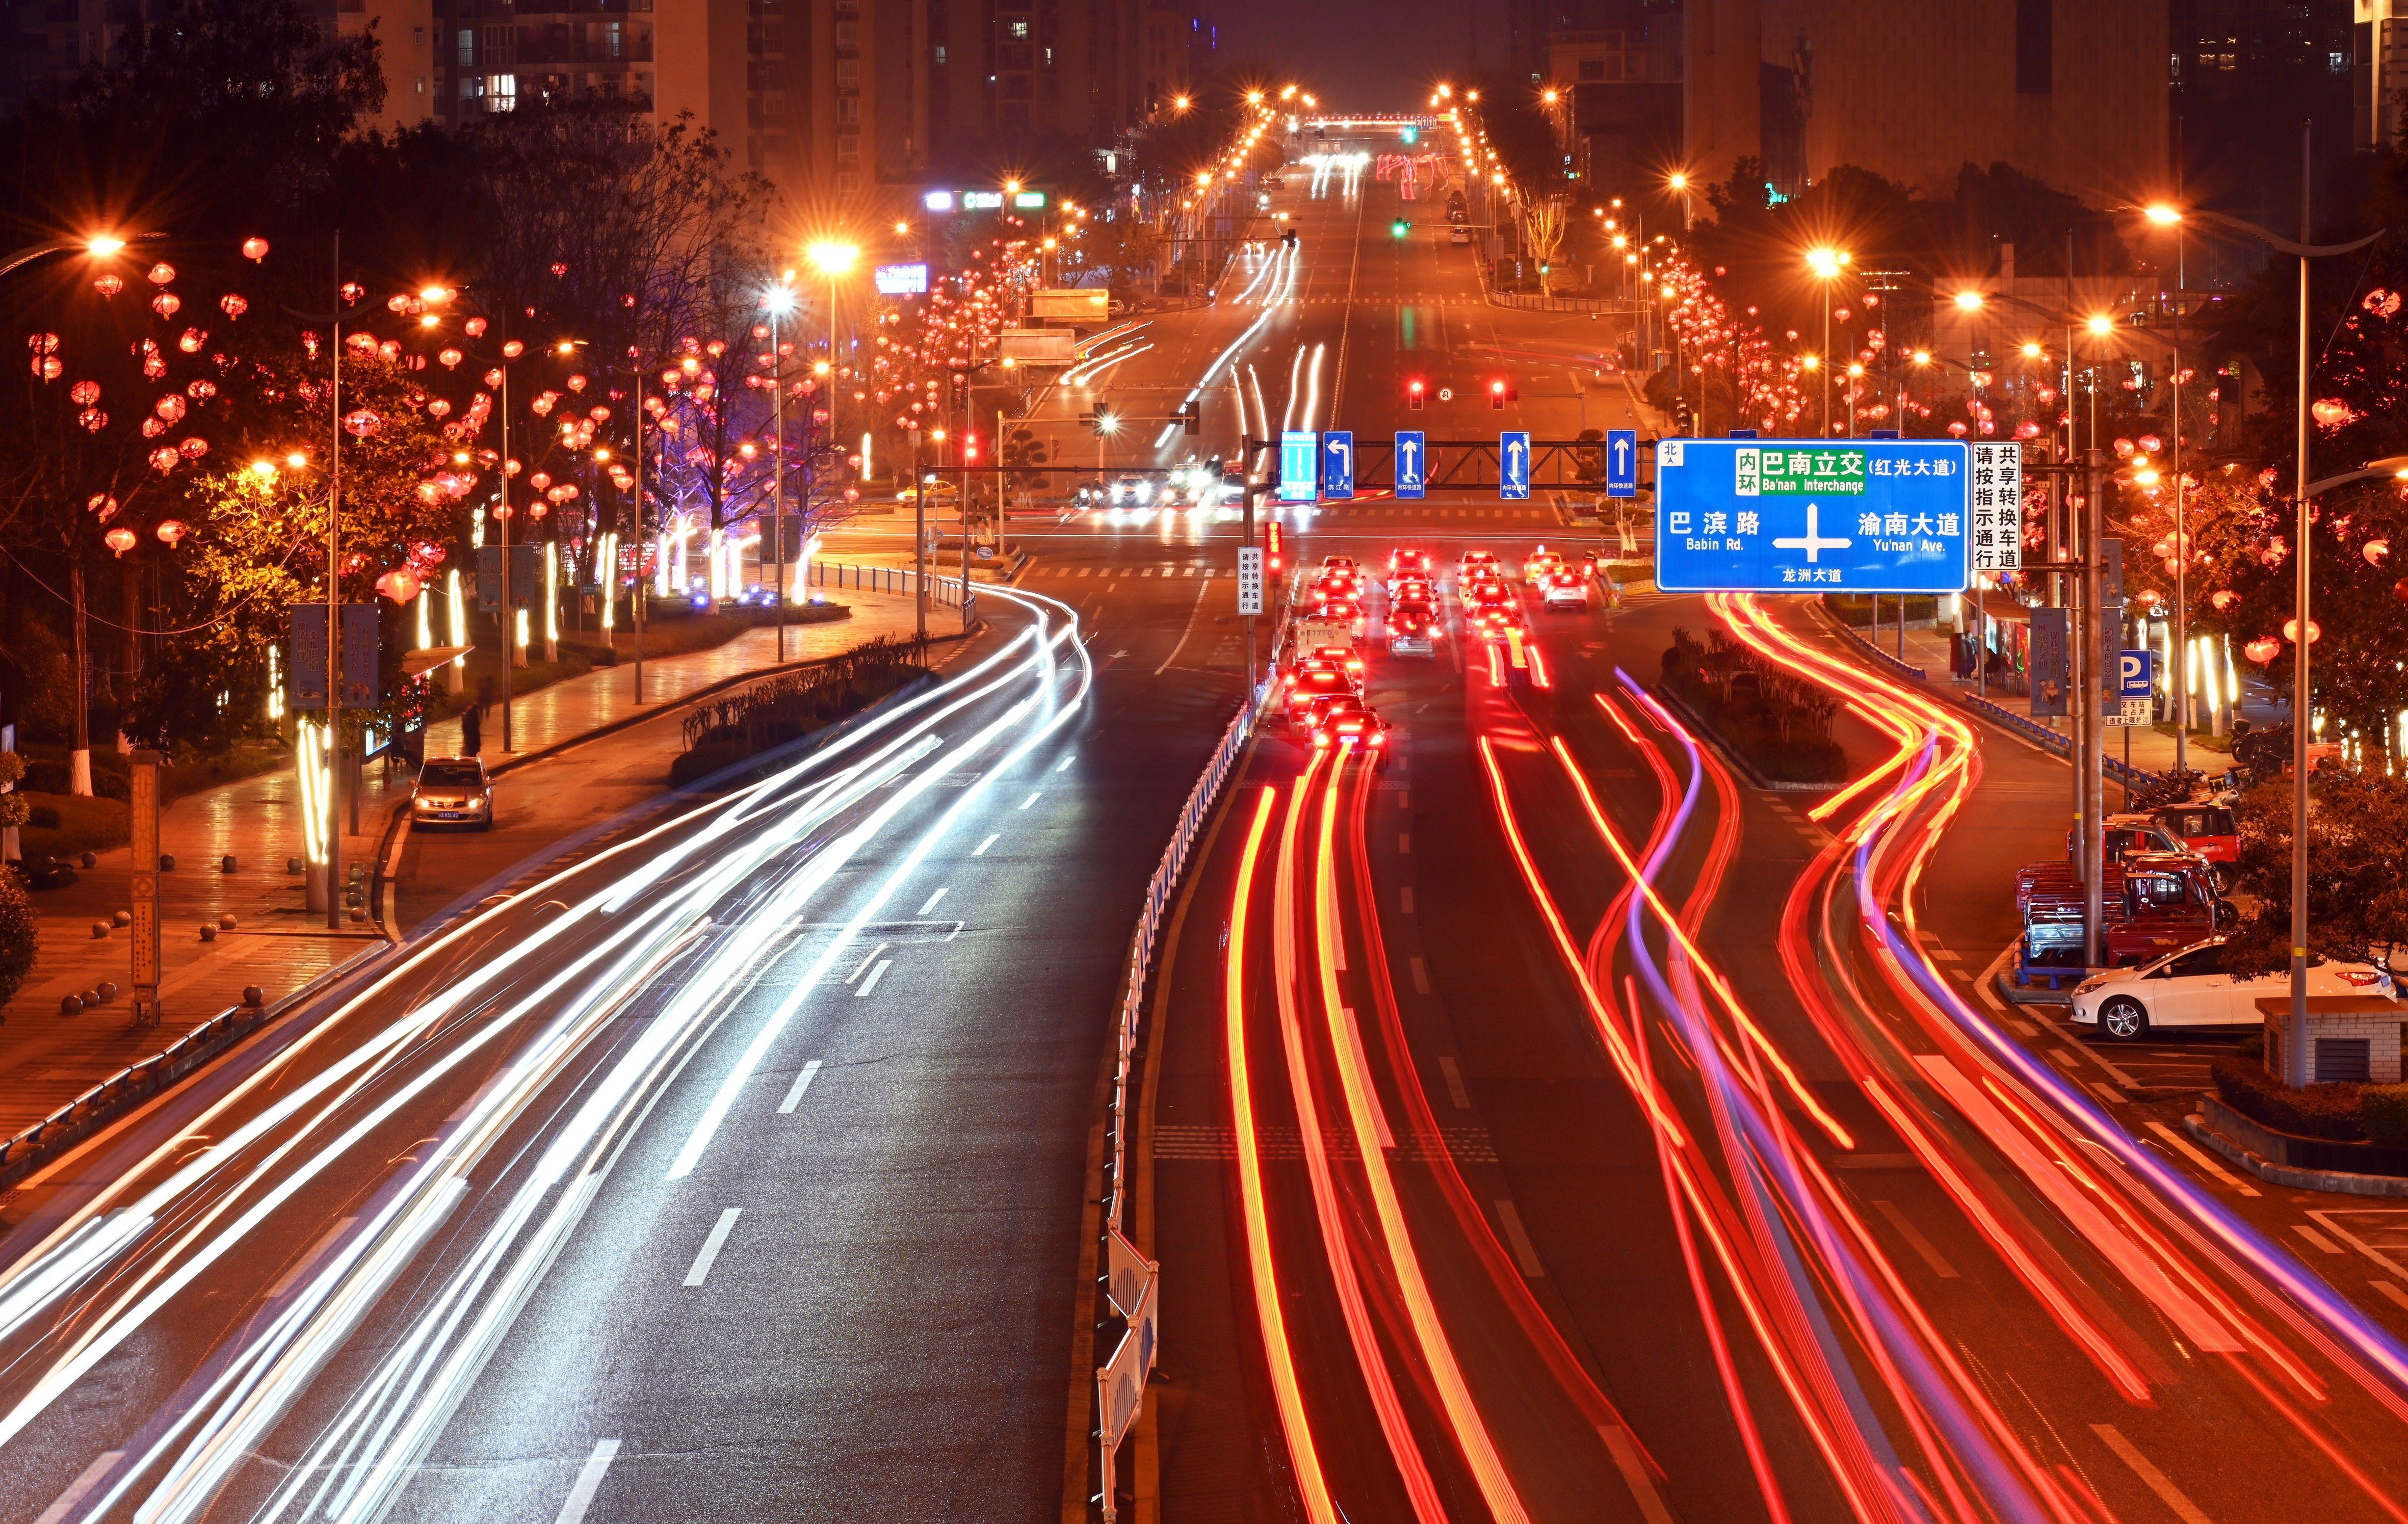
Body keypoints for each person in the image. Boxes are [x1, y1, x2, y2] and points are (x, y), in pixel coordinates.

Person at [461, 686, 485, 757]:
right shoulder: (473, 715)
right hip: (473, 743)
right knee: (472, 756)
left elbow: (467, 727)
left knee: (470, 756)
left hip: (471, 742)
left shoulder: (470, 716)